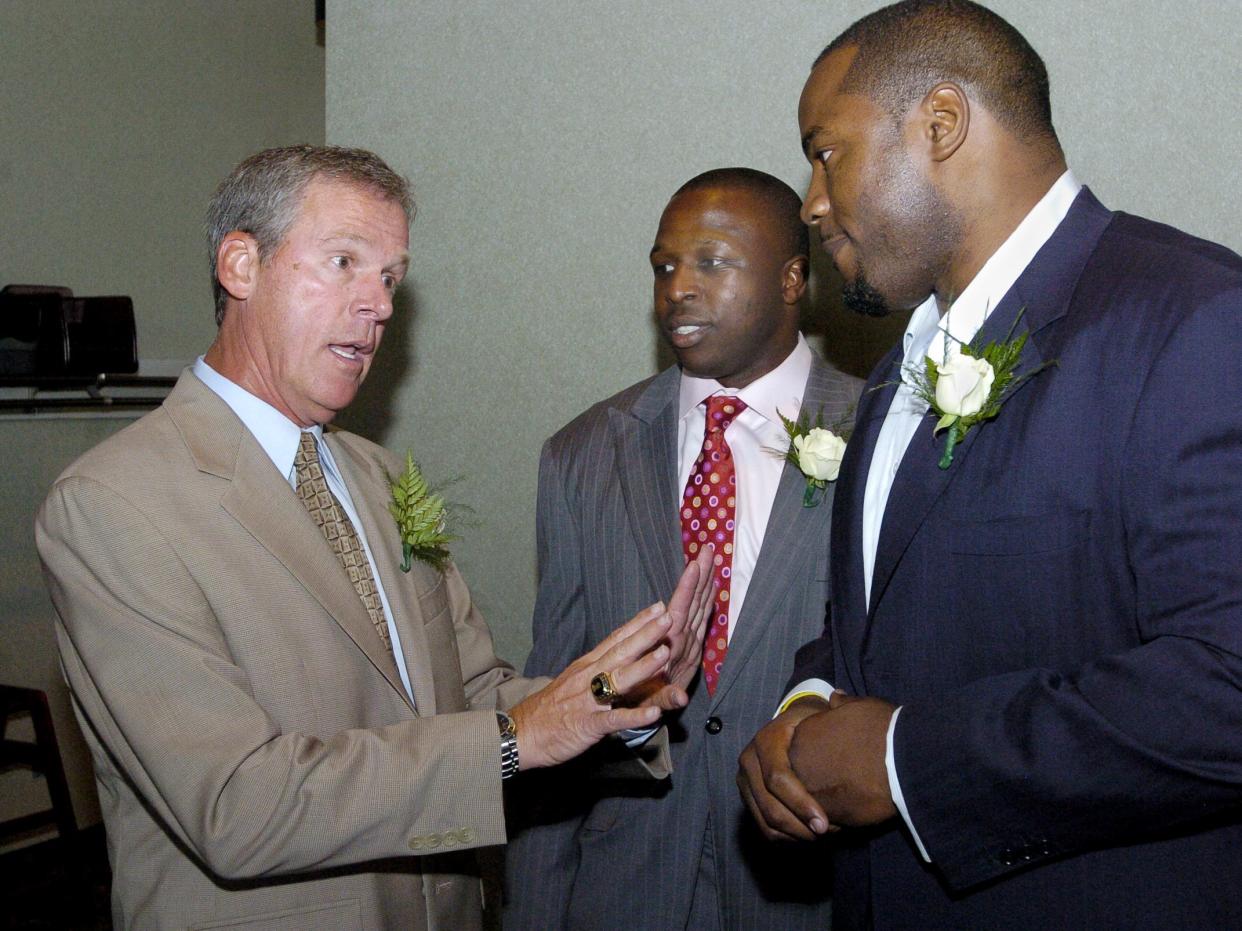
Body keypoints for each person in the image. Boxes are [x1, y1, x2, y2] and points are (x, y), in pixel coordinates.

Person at [35, 145, 715, 931]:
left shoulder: (386, 480)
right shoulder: (115, 503)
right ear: (240, 265)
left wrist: (611, 702)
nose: (380, 304)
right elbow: (236, 804)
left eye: (390, 277)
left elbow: (470, 699)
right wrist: (513, 739)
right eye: (345, 262)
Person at [736, 1, 1242, 927]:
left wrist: (906, 759)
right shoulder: (894, 372)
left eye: (825, 151)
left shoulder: (1195, 320)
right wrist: (808, 702)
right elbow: (888, 621)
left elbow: (1226, 687)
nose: (809, 202)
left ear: (941, 123)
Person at [505, 168, 862, 930]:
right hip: (624, 892)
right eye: (664, 267)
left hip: (812, 891)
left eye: (712, 262)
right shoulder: (582, 454)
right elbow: (554, 702)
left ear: (794, 278)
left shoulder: (879, 431)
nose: (679, 289)